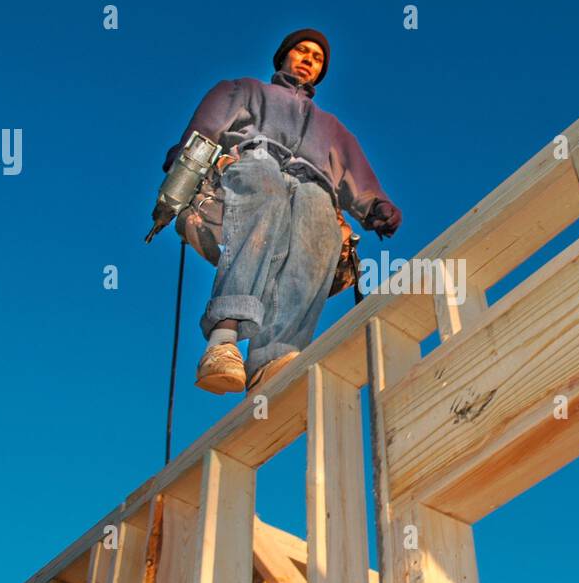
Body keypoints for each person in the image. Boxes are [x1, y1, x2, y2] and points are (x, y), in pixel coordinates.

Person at [161, 28, 402, 394]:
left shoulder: (333, 130)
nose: (308, 59)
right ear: (283, 56)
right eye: (301, 51)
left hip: (313, 183)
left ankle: (274, 358)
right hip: (256, 162)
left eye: (317, 58)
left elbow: (356, 173)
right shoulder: (245, 90)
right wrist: (185, 157)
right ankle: (223, 341)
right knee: (267, 186)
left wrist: (376, 206)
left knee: (319, 221)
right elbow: (208, 126)